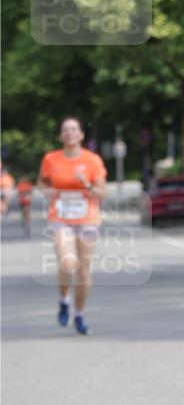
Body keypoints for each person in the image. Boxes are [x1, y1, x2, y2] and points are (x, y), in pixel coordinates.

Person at [37, 117, 108, 335]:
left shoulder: (92, 160)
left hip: (87, 219)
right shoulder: (51, 159)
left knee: (84, 273)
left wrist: (86, 184)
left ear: (81, 135)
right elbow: (42, 182)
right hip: (60, 217)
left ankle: (79, 314)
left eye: (73, 129)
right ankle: (63, 299)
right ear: (60, 135)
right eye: (65, 130)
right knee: (68, 263)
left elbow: (102, 193)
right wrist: (46, 191)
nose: (69, 133)